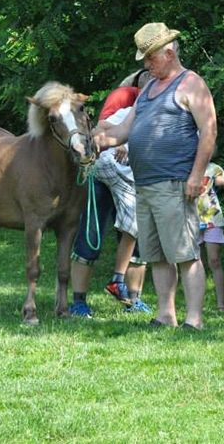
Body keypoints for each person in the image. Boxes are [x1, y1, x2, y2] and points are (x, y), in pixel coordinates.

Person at [94, 22, 216, 330]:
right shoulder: (148, 88)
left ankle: (195, 319)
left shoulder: (191, 84)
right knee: (157, 255)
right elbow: (124, 131)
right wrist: (101, 140)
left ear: (169, 52)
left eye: (150, 58)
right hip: (144, 184)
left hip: (175, 182)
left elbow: (210, 132)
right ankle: (166, 315)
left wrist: (195, 176)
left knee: (186, 254)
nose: (146, 65)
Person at [69, 69, 152, 318]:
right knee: (91, 234)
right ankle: (79, 301)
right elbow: (102, 127)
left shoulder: (166, 107)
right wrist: (120, 143)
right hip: (104, 172)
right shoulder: (125, 98)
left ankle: (131, 297)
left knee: (136, 234)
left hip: (131, 177)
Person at [197, 158, 224, 312]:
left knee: (214, 260)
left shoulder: (214, 168)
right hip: (191, 219)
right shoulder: (182, 165)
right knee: (195, 262)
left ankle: (221, 304)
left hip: (212, 217)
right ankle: (197, 303)